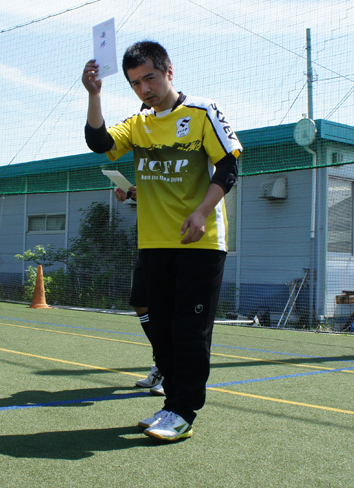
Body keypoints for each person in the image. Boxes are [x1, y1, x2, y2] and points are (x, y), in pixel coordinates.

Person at [82, 41, 242, 441]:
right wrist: (95, 95)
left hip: (200, 241)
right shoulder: (138, 124)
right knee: (165, 331)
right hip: (154, 243)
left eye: (150, 78)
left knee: (189, 330)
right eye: (135, 83)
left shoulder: (203, 111)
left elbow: (229, 166)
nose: (144, 89)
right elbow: (99, 143)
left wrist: (201, 212)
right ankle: (171, 405)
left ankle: (184, 411)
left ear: (169, 71)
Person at [113, 185, 164, 396]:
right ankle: (163, 362)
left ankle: (171, 370)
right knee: (140, 302)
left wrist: (145, 193)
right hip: (149, 243)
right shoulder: (147, 171)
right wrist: (132, 196)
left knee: (166, 308)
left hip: (173, 243)